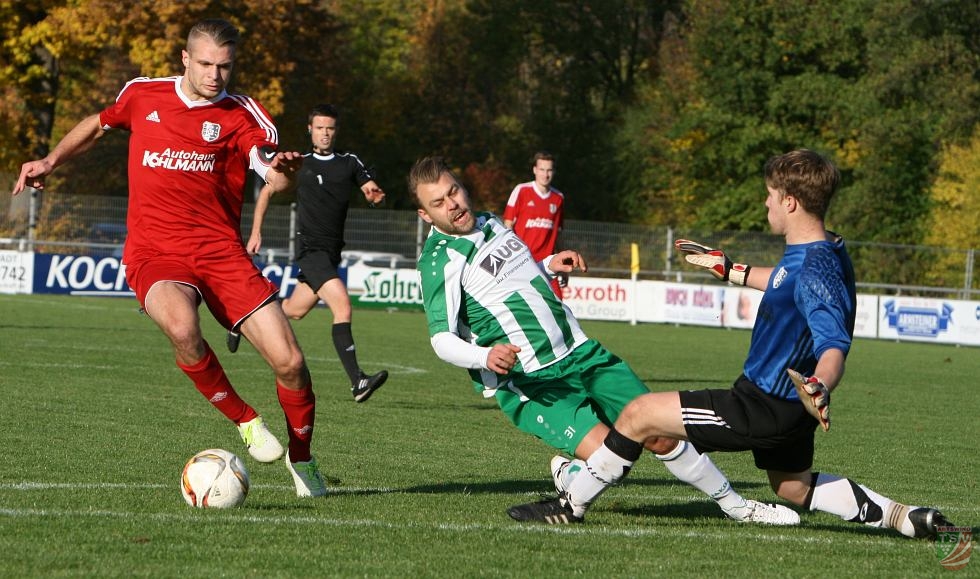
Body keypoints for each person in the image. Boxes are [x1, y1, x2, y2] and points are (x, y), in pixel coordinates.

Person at [508, 149, 954, 538]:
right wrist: (729, 269)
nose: (766, 202)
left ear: (790, 201)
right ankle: (900, 515)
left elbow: (833, 340)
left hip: (761, 405)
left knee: (638, 414)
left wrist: (822, 382)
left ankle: (571, 505)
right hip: (788, 406)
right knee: (792, 488)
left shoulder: (816, 269)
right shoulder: (825, 249)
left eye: (770, 195)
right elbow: (783, 281)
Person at [12, 19, 327, 498]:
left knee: (291, 363)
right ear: (185, 59)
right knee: (182, 329)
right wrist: (51, 161)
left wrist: (285, 174)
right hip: (155, 251)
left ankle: (303, 461)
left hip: (221, 253)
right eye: (205, 64)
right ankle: (245, 420)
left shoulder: (245, 115)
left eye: (225, 66)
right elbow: (98, 124)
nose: (215, 75)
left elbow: (270, 172)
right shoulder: (143, 94)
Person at [409, 156, 799, 525]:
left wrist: (548, 264)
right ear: (426, 214)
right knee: (611, 459)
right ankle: (577, 476)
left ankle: (739, 507)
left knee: (659, 435)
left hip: (581, 352)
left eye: (454, 191)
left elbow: (512, 280)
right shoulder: (439, 260)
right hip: (534, 380)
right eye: (439, 202)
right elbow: (441, 339)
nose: (453, 204)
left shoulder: (490, 222)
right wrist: (484, 355)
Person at [227, 103, 388, 403]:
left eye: (330, 128)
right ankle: (358, 381)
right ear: (310, 130)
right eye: (320, 128)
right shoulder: (299, 162)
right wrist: (255, 232)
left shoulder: (349, 162)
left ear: (335, 131)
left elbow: (369, 184)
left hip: (330, 254)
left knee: (293, 310)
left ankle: (241, 320)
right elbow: (267, 191)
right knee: (343, 307)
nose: (325, 134)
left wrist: (373, 193)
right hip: (310, 250)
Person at [503, 151, 565, 295]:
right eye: (542, 169)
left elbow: (559, 234)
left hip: (549, 263)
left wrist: (564, 264)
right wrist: (512, 258)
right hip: (522, 262)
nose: (545, 174)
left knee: (558, 310)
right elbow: (507, 226)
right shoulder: (522, 190)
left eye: (549, 170)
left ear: (554, 171)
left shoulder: (558, 198)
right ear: (535, 170)